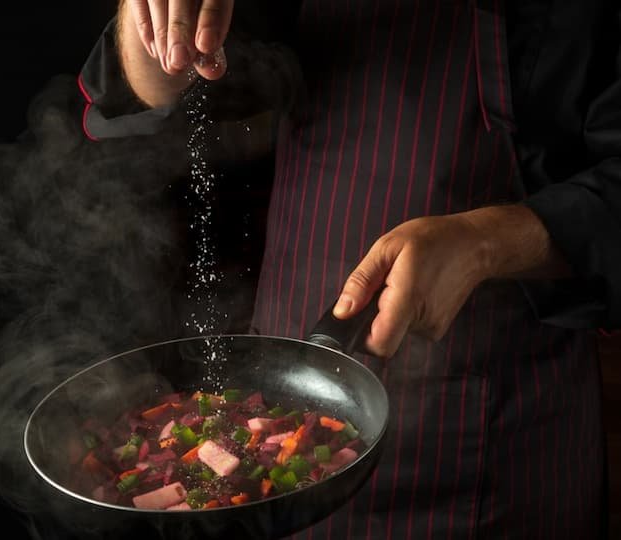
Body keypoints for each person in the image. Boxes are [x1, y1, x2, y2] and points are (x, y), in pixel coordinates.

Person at [71, 0, 621, 538]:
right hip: (288, 364)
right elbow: (164, 84)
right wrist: (159, 24)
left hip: (504, 426)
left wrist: (488, 242)